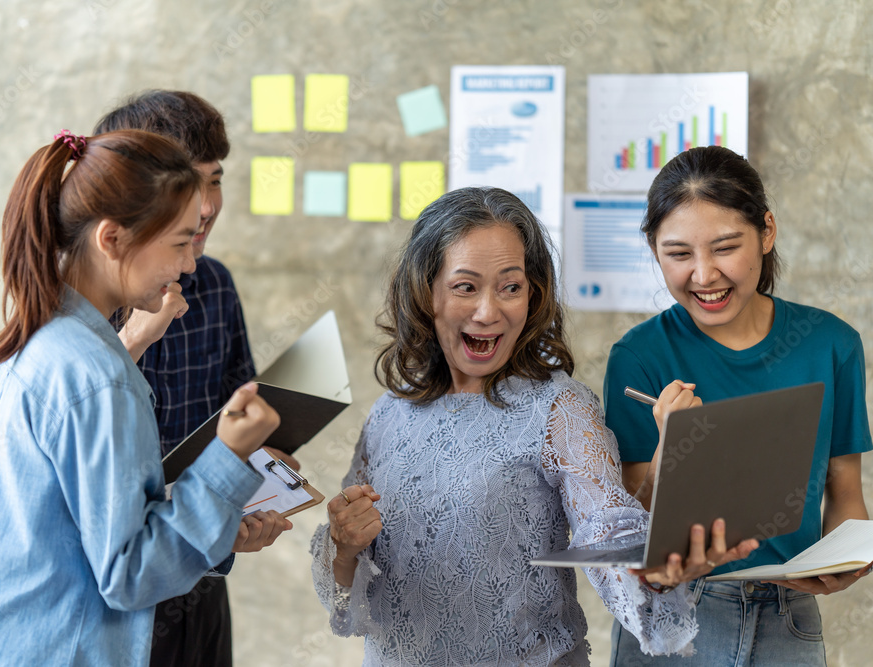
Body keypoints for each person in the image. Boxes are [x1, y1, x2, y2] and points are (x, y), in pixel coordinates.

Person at [309, 186, 755, 666]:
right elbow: (346, 601)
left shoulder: (560, 409)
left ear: (533, 294)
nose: (489, 311)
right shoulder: (388, 413)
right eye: (465, 286)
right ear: (425, 292)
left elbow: (609, 537)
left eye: (510, 286)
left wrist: (658, 571)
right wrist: (342, 545)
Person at [0, 129, 281, 665]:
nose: (189, 265)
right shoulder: (96, 375)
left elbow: (80, 521)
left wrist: (219, 520)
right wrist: (228, 459)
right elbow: (129, 575)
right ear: (112, 239)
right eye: (180, 242)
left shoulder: (51, 337)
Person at [604, 145, 873, 666]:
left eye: (725, 247)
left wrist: (851, 557)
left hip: (789, 614)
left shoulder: (832, 344)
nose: (703, 276)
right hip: (677, 617)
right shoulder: (639, 356)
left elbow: (845, 496)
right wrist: (668, 452)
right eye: (678, 254)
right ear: (654, 250)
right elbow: (632, 530)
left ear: (766, 231)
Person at [93, 90, 292, 667]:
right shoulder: (79, 310)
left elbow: (240, 418)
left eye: (215, 179)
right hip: (116, 603)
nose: (205, 206)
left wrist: (263, 470)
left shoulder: (216, 286)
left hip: (201, 583)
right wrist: (132, 339)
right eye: (187, 187)